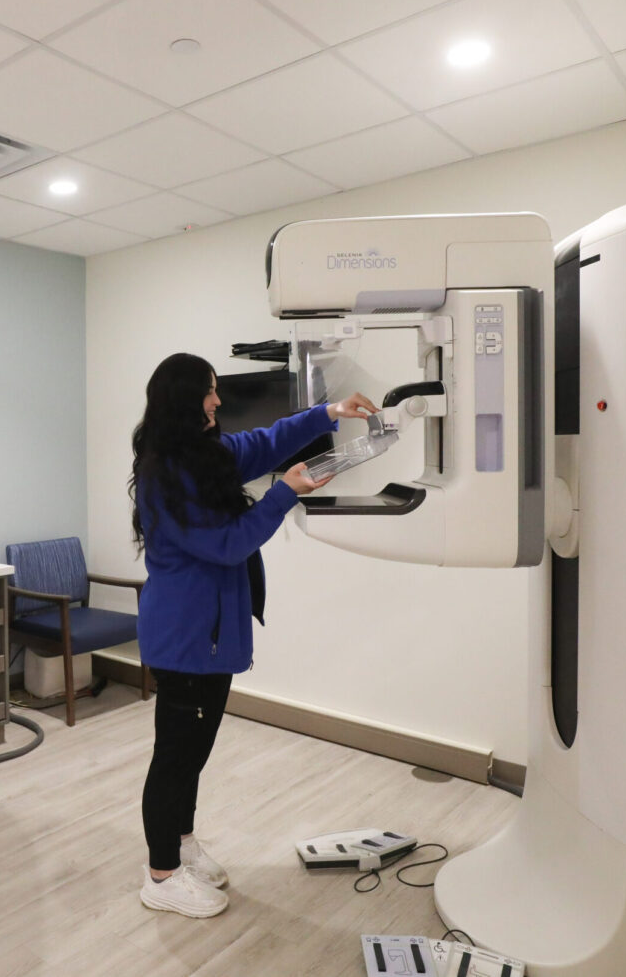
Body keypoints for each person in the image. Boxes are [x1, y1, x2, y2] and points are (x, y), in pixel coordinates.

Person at [128, 352, 378, 918]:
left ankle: (183, 844)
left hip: (211, 637)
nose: (218, 401)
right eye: (209, 393)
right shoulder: (166, 473)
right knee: (175, 757)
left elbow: (263, 443)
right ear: (183, 400)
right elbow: (227, 544)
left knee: (193, 755)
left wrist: (327, 413)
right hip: (185, 637)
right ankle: (160, 875)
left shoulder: (205, 453)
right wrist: (283, 493)